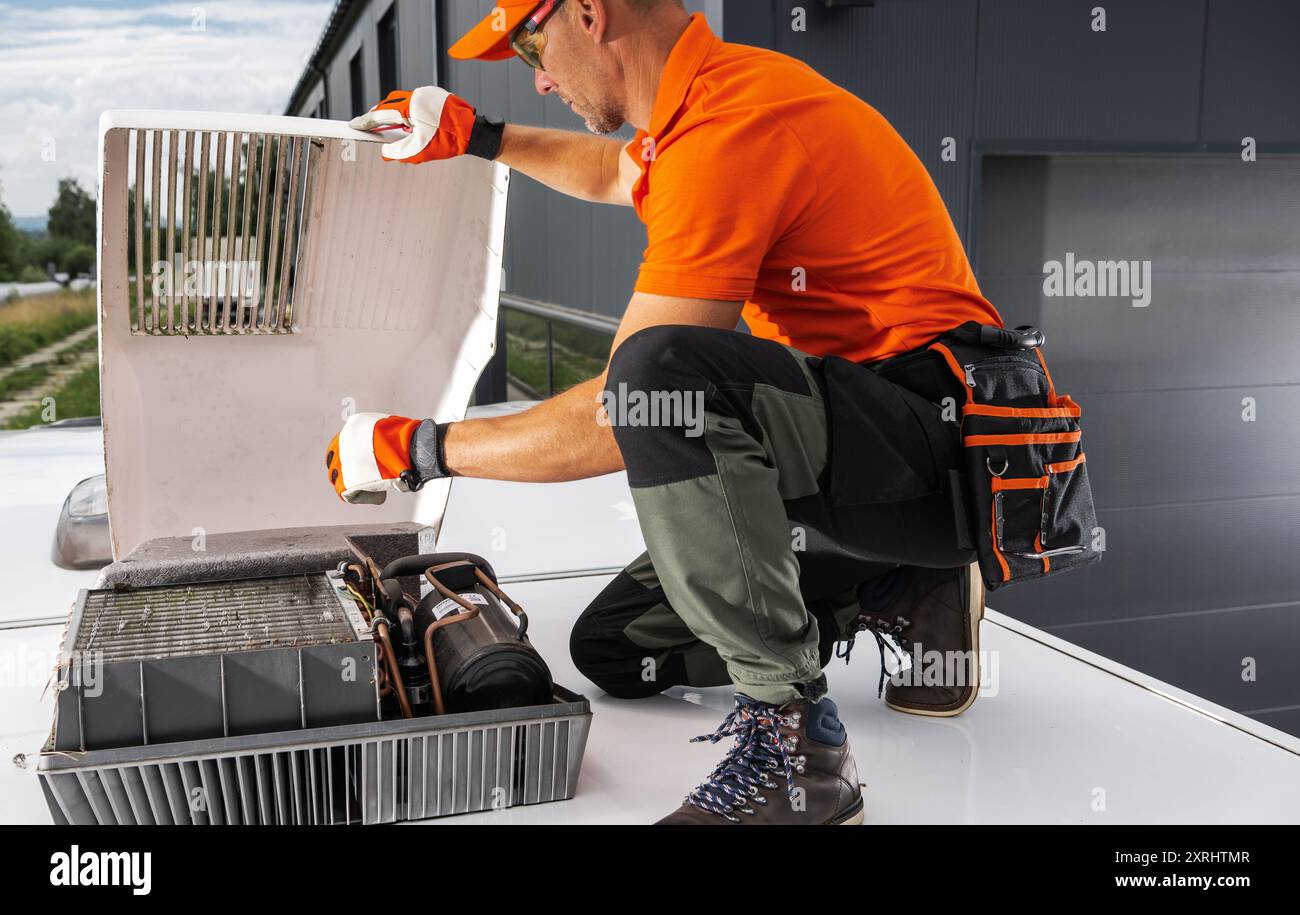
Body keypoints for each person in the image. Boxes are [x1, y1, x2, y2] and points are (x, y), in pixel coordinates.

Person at [325, 0, 1001, 825]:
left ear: (588, 13)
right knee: (613, 647)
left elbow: (627, 410)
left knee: (659, 368)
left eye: (532, 42)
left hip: (933, 446)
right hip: (861, 449)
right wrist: (479, 136)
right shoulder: (697, 110)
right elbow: (614, 171)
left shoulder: (732, 128)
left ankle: (803, 754)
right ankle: (900, 580)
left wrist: (419, 448)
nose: (538, 74)